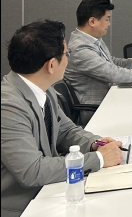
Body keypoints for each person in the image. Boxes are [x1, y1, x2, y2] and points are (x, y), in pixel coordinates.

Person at [1, 20, 124, 216]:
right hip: (22, 205)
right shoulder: (8, 107)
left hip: (49, 189)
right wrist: (99, 159)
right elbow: (31, 171)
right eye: (67, 54)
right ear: (51, 65)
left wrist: (96, 143)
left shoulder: (43, 88)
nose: (68, 59)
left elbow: (65, 130)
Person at [64, 0, 132, 125]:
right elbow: (112, 73)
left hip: (110, 99)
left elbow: (110, 62)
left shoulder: (92, 40)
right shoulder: (80, 48)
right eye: (106, 19)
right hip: (98, 110)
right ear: (92, 21)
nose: (109, 24)